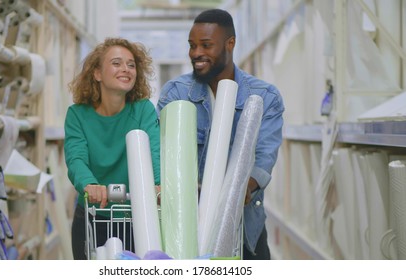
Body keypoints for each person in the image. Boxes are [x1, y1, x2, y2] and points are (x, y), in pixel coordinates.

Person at [157, 9, 284, 260]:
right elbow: (162, 150)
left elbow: (264, 156)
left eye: (206, 45)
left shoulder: (263, 96)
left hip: (242, 225)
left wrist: (240, 190)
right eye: (192, 46)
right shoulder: (176, 94)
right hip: (185, 225)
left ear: (230, 44)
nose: (196, 53)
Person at [64, 37, 160, 260]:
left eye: (131, 64)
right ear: (97, 73)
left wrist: (158, 185)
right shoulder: (77, 115)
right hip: (93, 215)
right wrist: (89, 184)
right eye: (116, 63)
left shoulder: (143, 110)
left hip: (135, 217)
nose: (126, 69)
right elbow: (76, 158)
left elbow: (153, 151)